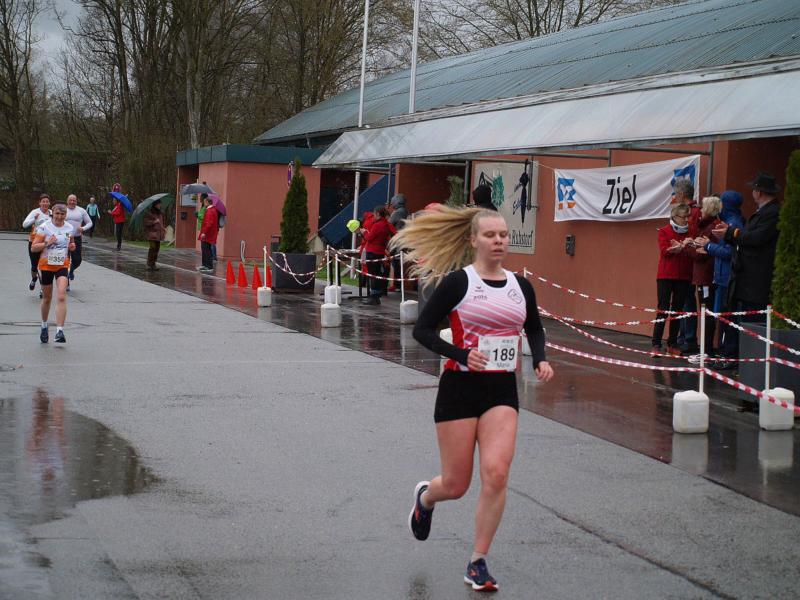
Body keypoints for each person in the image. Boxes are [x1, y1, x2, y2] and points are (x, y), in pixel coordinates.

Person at [392, 206, 554, 592]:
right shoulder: (458, 283)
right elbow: (422, 330)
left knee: (497, 474)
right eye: (490, 235)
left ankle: (478, 561)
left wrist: (541, 359)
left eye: (503, 235)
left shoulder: (521, 286)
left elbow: (534, 327)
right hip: (459, 390)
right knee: (456, 484)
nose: (499, 241)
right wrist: (462, 354)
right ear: (473, 240)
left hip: (501, 391)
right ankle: (426, 498)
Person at [712, 172, 781, 360]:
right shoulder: (761, 212)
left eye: (754, 190)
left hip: (756, 279)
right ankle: (736, 357)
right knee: (740, 320)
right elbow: (746, 237)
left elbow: (755, 238)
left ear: (759, 192)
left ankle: (746, 360)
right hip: (746, 278)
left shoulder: (772, 213)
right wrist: (730, 234)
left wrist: (730, 233)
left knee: (752, 322)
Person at [702, 191, 744, 367]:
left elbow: (728, 253)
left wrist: (708, 246)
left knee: (727, 318)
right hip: (722, 277)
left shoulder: (733, 223)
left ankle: (727, 354)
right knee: (722, 317)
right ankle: (724, 352)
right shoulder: (729, 221)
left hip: (727, 278)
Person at [652, 203, 694, 356]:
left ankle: (672, 344)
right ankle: (656, 344)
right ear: (675, 217)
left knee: (677, 310)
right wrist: (680, 247)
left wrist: (689, 246)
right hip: (665, 276)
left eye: (688, 217)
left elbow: (693, 253)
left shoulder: (690, 231)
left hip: (683, 276)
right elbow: (665, 251)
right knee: (663, 309)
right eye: (684, 217)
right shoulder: (664, 231)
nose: (686, 220)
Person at [30, 203, 75, 344]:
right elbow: (33, 248)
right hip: (46, 266)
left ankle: (59, 331)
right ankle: (44, 325)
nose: (59, 217)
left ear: (66, 215)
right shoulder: (44, 227)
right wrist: (47, 243)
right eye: (57, 214)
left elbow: (71, 243)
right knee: (47, 298)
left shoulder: (70, 227)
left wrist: (72, 247)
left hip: (62, 265)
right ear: (52, 214)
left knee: (61, 296)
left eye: (62, 214)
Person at [686, 196, 721, 359]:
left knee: (707, 311)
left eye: (703, 208)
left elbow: (701, 254)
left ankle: (707, 349)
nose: (700, 211)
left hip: (706, 277)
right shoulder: (705, 227)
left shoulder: (711, 229)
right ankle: (705, 348)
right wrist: (693, 245)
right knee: (705, 311)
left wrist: (688, 247)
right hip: (702, 276)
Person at [673, 178, 700, 353]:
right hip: (685, 261)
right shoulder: (693, 211)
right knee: (683, 301)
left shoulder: (693, 212)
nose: (675, 198)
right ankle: (683, 337)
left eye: (676, 194)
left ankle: (689, 338)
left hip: (689, 263)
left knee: (688, 301)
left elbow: (691, 235)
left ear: (682, 194)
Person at [360, 205, 394, 305]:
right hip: (380, 251)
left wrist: (364, 233)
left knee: (373, 275)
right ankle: (376, 296)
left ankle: (374, 297)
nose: (373, 216)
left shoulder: (377, 225)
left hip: (372, 251)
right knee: (378, 274)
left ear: (378, 214)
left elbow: (369, 238)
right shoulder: (386, 224)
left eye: (374, 214)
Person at [22, 194, 51, 293]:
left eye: (47, 201)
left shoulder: (52, 213)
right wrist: (34, 219)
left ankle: (43, 289)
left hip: (47, 243)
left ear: (49, 203)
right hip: (34, 242)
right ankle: (34, 278)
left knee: (44, 266)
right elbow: (24, 225)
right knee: (34, 267)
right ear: (40, 203)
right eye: (43, 201)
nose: (45, 203)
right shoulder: (35, 212)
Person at [65, 194, 93, 289]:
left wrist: (83, 228)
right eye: (70, 200)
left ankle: (71, 270)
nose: (72, 202)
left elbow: (90, 222)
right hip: (65, 238)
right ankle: (66, 283)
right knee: (65, 260)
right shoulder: (63, 210)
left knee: (77, 260)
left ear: (76, 201)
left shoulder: (81, 211)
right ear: (67, 201)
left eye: (74, 200)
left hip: (77, 238)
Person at [388, 194, 408, 292]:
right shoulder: (405, 211)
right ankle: (397, 284)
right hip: (402, 240)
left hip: (397, 241)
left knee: (396, 264)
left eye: (393, 203)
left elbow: (389, 224)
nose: (392, 205)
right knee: (397, 263)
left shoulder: (398, 212)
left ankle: (397, 285)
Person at [197, 195, 219, 272]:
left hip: (207, 235)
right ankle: (204, 265)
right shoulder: (212, 210)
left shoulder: (210, 211)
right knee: (205, 249)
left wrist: (204, 233)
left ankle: (208, 266)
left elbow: (209, 223)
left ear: (206, 202)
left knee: (206, 250)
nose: (203, 203)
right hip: (209, 234)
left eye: (204, 202)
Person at [143, 199, 166, 270]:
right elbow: (146, 222)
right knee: (152, 248)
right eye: (159, 204)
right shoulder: (149, 213)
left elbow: (161, 223)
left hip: (158, 234)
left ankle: (153, 264)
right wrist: (154, 221)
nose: (160, 205)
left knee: (157, 249)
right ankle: (149, 263)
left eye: (160, 204)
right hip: (152, 234)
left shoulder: (160, 213)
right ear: (155, 205)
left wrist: (163, 228)